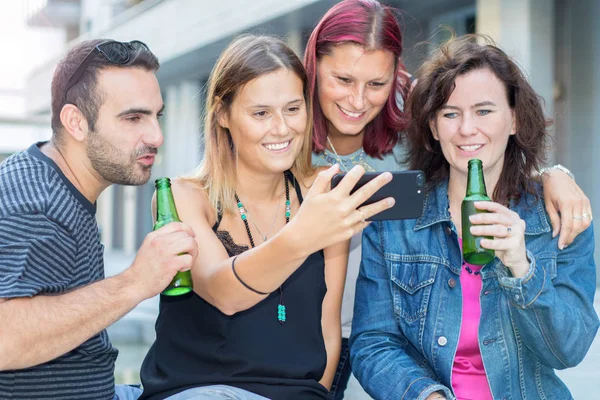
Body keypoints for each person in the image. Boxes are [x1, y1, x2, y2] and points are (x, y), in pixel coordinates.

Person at [303, 1, 593, 398]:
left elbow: (569, 350)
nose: (467, 128)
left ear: (515, 119)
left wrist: (521, 266)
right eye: (450, 114)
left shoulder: (559, 217)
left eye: (485, 110)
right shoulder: (394, 215)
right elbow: (374, 343)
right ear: (433, 128)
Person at [138, 34, 393, 400]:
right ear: (223, 115)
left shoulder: (324, 189)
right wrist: (303, 235)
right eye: (261, 113)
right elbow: (222, 290)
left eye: (293, 109)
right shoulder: (184, 196)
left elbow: (327, 329)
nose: (282, 128)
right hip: (203, 392)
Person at [0, 39, 199, 400]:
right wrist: (136, 282)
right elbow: (5, 340)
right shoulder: (39, 205)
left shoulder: (54, 180)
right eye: (134, 118)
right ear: (76, 122)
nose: (157, 136)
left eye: (157, 115)